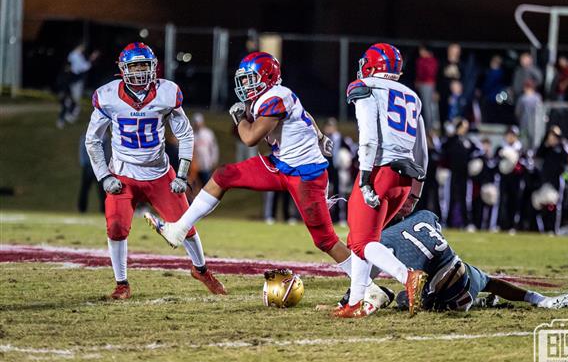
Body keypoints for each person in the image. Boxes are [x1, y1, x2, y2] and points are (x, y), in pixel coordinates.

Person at [145, 52, 392, 306]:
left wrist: (240, 117)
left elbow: (250, 137)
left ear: (267, 78)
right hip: (281, 164)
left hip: (305, 175)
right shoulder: (275, 95)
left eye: (251, 79)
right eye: (243, 80)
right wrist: (319, 138)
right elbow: (305, 116)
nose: (245, 86)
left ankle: (369, 288)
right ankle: (180, 229)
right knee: (223, 175)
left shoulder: (275, 97)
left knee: (325, 240)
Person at [85, 42, 225, 300]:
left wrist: (182, 175)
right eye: (134, 65)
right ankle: (121, 283)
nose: (139, 71)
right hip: (123, 174)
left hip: (160, 174)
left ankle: (201, 269)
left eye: (143, 65)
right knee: (116, 226)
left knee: (186, 225)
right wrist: (104, 176)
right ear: (122, 69)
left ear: (153, 67)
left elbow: (185, 134)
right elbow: (92, 140)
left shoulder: (166, 92)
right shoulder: (107, 96)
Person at [333, 43, 429, 318]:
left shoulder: (364, 86)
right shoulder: (412, 95)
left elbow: (369, 135)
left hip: (379, 171)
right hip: (406, 178)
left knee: (361, 243)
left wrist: (364, 178)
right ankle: (354, 302)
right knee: (362, 239)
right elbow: (422, 150)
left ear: (372, 65)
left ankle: (407, 276)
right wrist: (415, 193)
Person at [381, 210, 568, 311]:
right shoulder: (424, 215)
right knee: (489, 281)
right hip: (460, 271)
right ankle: (537, 298)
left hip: (443, 293)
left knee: (402, 298)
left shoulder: (385, 236)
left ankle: (473, 303)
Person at [65, 43, 99, 124]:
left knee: (72, 98)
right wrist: (92, 58)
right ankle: (72, 115)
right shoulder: (77, 55)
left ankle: (70, 114)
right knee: (75, 98)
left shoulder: (72, 54)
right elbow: (85, 67)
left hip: (71, 79)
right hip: (76, 79)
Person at [78, 132, 109, 213]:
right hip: (91, 166)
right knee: (85, 189)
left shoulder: (103, 137)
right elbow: (82, 151)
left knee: (101, 190)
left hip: (97, 167)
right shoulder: (86, 136)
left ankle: (103, 209)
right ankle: (82, 209)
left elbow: (106, 153)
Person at [415, 44, 439, 129]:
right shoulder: (434, 60)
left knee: (427, 106)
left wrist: (418, 81)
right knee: (430, 105)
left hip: (425, 84)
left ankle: (428, 127)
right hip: (431, 84)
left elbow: (422, 73)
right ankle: (431, 125)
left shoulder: (423, 60)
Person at [191, 113, 219, 187]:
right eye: (196, 123)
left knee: (206, 186)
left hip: (206, 164)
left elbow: (214, 148)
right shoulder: (192, 135)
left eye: (199, 123)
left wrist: (213, 160)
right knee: (195, 186)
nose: (198, 125)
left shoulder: (208, 133)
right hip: (195, 166)